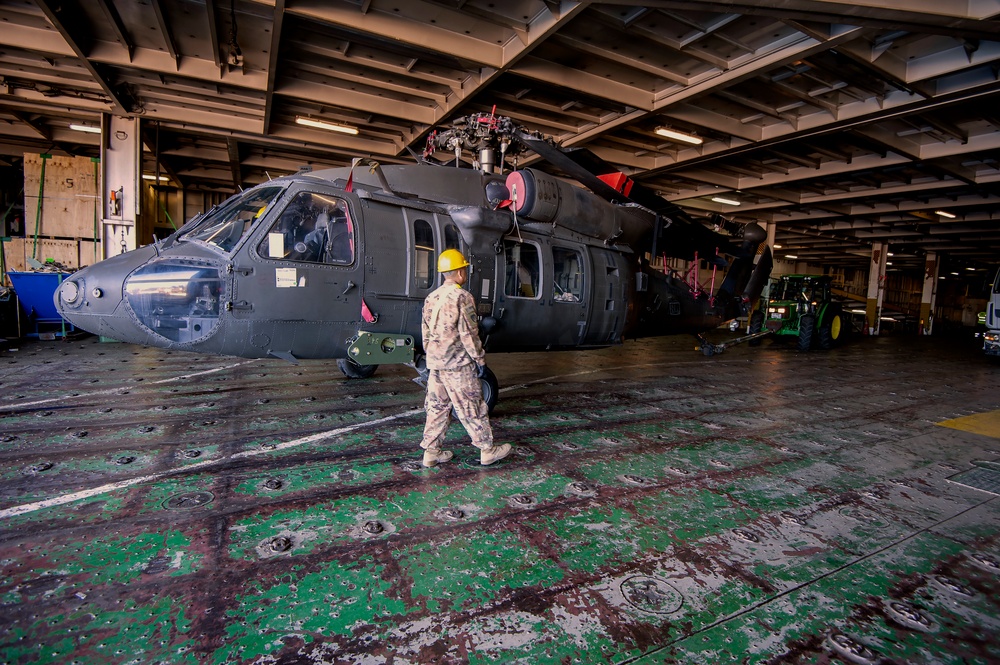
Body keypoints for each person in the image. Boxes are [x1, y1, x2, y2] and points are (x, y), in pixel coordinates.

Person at [419, 249, 511, 467]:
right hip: (457, 364)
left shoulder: (431, 298)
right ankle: (487, 450)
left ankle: (431, 453)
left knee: (436, 408)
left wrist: (432, 355)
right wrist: (480, 360)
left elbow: (425, 332)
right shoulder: (463, 297)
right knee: (472, 406)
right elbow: (469, 333)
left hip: (436, 364)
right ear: (460, 272)